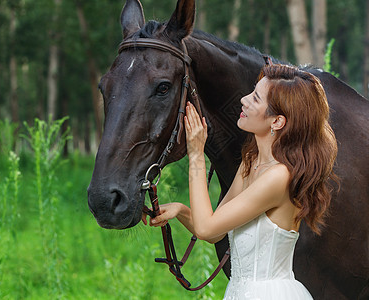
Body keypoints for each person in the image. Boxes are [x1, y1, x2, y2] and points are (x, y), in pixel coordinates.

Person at [142, 64, 338, 299]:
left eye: (255, 98)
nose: (244, 100)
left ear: (277, 122)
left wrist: (196, 155)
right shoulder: (251, 162)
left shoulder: (279, 177)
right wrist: (180, 210)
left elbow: (206, 227)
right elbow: (214, 232)